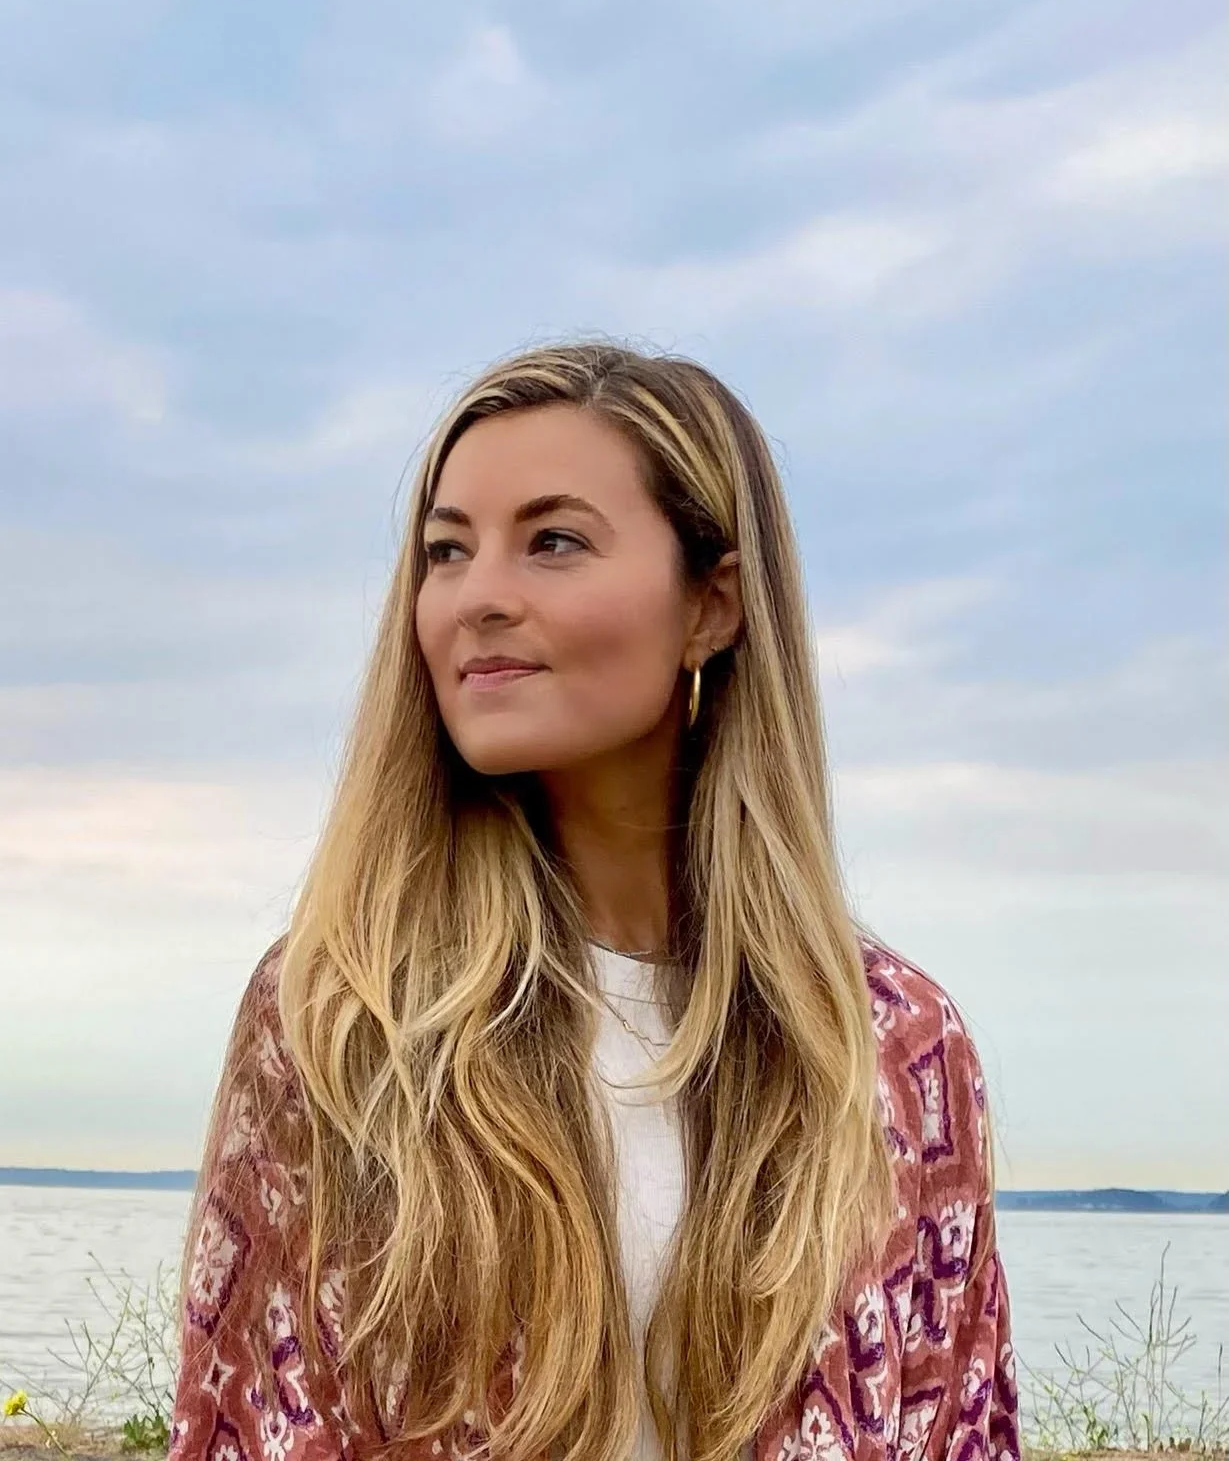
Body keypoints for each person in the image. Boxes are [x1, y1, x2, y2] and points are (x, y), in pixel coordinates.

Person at [169, 342, 1020, 1461]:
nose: (476, 599)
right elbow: (246, 1433)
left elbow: (960, 1427)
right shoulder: (339, 1016)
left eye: (552, 541)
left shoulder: (895, 1047)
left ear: (710, 606)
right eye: (444, 551)